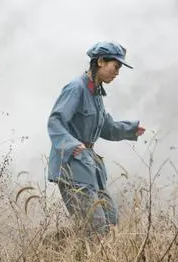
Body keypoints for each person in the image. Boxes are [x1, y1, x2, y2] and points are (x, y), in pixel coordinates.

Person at [47, 41, 145, 237]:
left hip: (90, 166)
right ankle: (70, 259)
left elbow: (105, 127)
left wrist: (131, 130)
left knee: (111, 219)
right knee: (95, 226)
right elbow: (55, 122)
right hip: (72, 165)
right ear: (100, 61)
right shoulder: (76, 88)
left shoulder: (97, 92)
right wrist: (73, 145)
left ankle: (64, 246)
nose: (117, 72)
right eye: (116, 66)